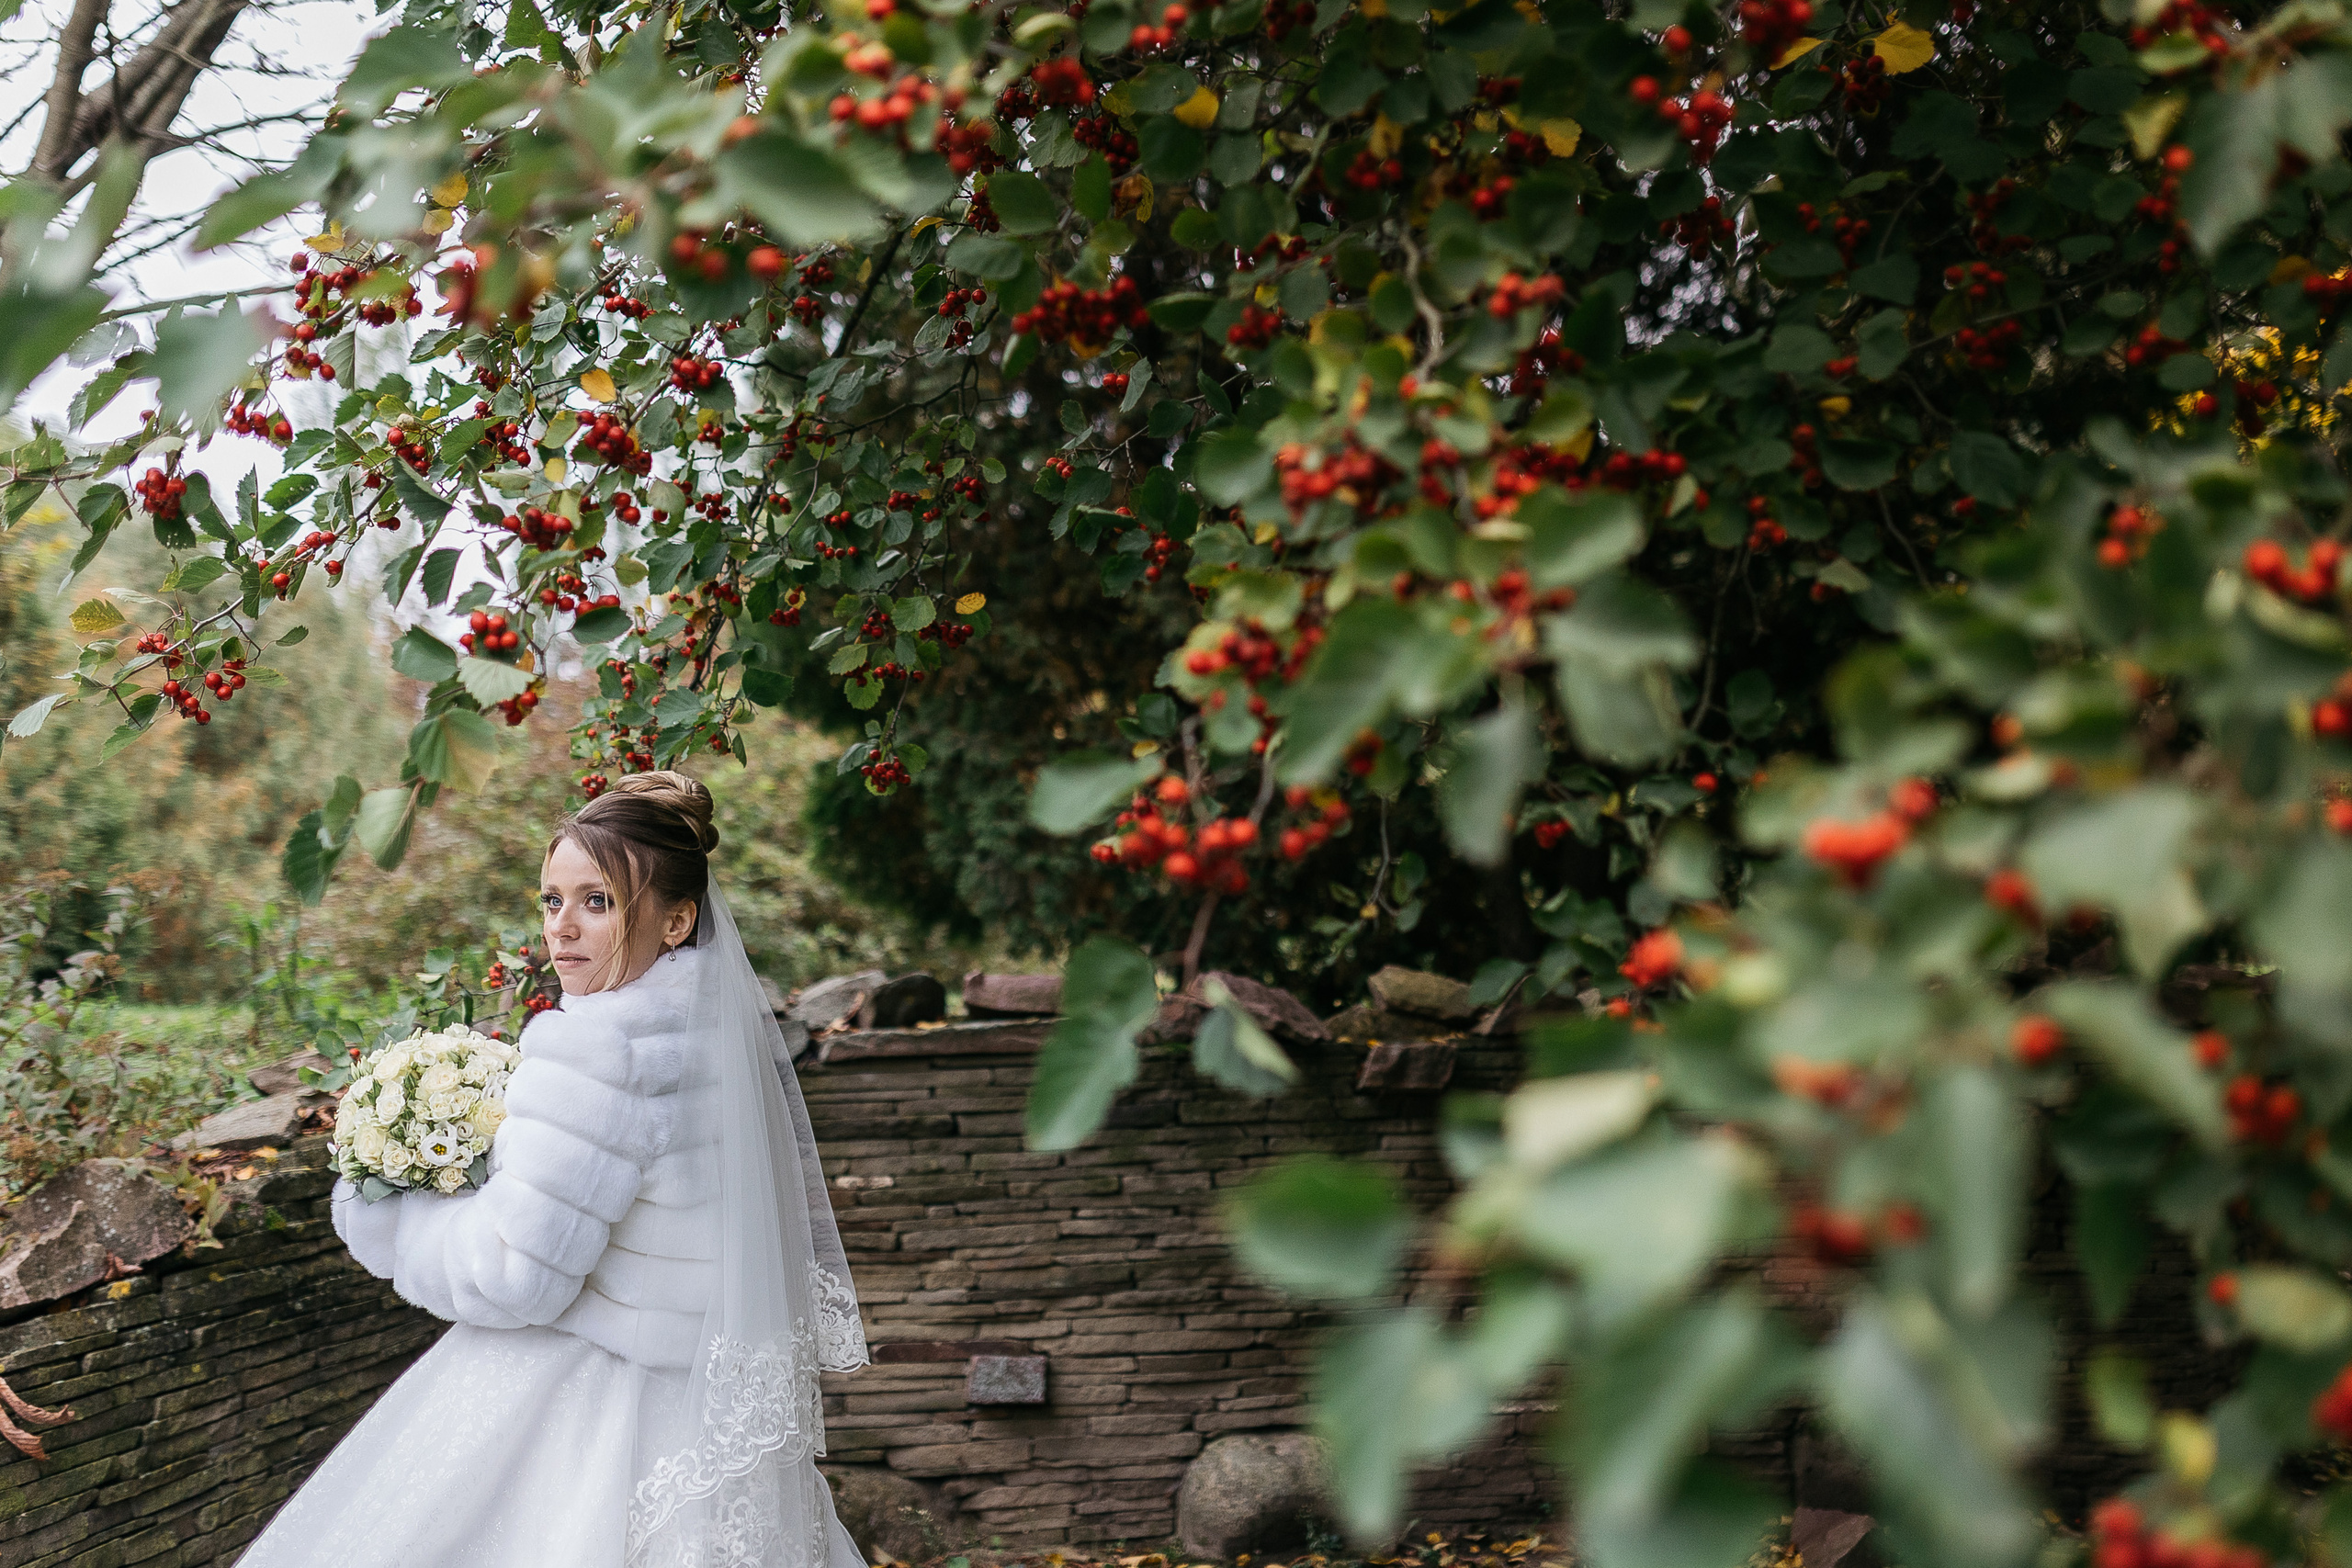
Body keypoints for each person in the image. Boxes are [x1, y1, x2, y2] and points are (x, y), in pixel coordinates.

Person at [237, 772, 870, 1568]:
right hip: (705, 1416)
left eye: (597, 901)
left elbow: (515, 1276)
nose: (562, 927)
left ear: (678, 919)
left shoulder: (597, 1049)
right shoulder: (716, 1038)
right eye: (551, 899)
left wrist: (390, 1216)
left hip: (594, 1410)